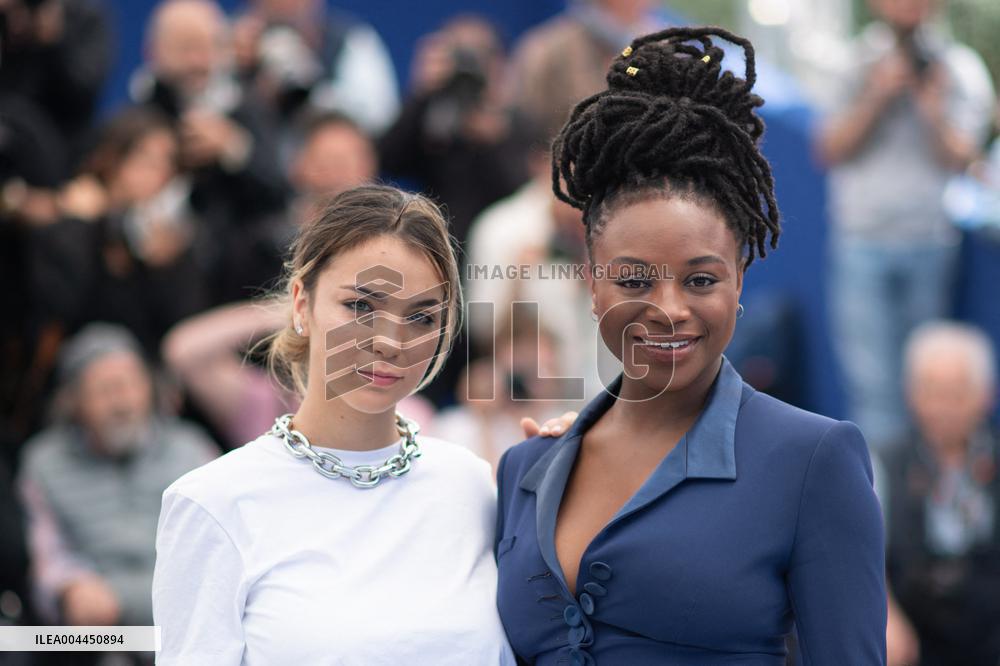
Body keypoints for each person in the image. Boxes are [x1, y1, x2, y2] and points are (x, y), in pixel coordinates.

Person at [494, 27, 887, 665]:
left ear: (740, 284)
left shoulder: (813, 461)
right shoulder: (526, 470)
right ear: (591, 284)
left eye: (701, 279)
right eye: (634, 279)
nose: (670, 308)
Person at [154, 185, 572, 663]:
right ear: (300, 305)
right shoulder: (213, 502)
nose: (390, 342)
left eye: (420, 317)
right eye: (361, 306)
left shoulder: (470, 481)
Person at [814, 0, 995, 451]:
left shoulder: (958, 67)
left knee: (932, 393)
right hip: (862, 240)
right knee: (873, 390)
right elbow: (828, 149)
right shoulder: (855, 60)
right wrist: (877, 94)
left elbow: (966, 158)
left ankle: (923, 505)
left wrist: (933, 107)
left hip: (930, 242)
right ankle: (884, 510)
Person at [17, 323, 216, 664]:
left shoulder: (192, 450)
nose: (121, 402)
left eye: (129, 384)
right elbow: (48, 556)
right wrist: (69, 586)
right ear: (75, 402)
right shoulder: (44, 464)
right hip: (97, 635)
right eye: (105, 390)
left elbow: (219, 548)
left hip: (184, 622)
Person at [882, 321, 1000, 666]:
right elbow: (862, 558)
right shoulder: (883, 463)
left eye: (958, 392)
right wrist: (884, 615)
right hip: (914, 630)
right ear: (911, 394)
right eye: (933, 391)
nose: (945, 407)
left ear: (987, 394)